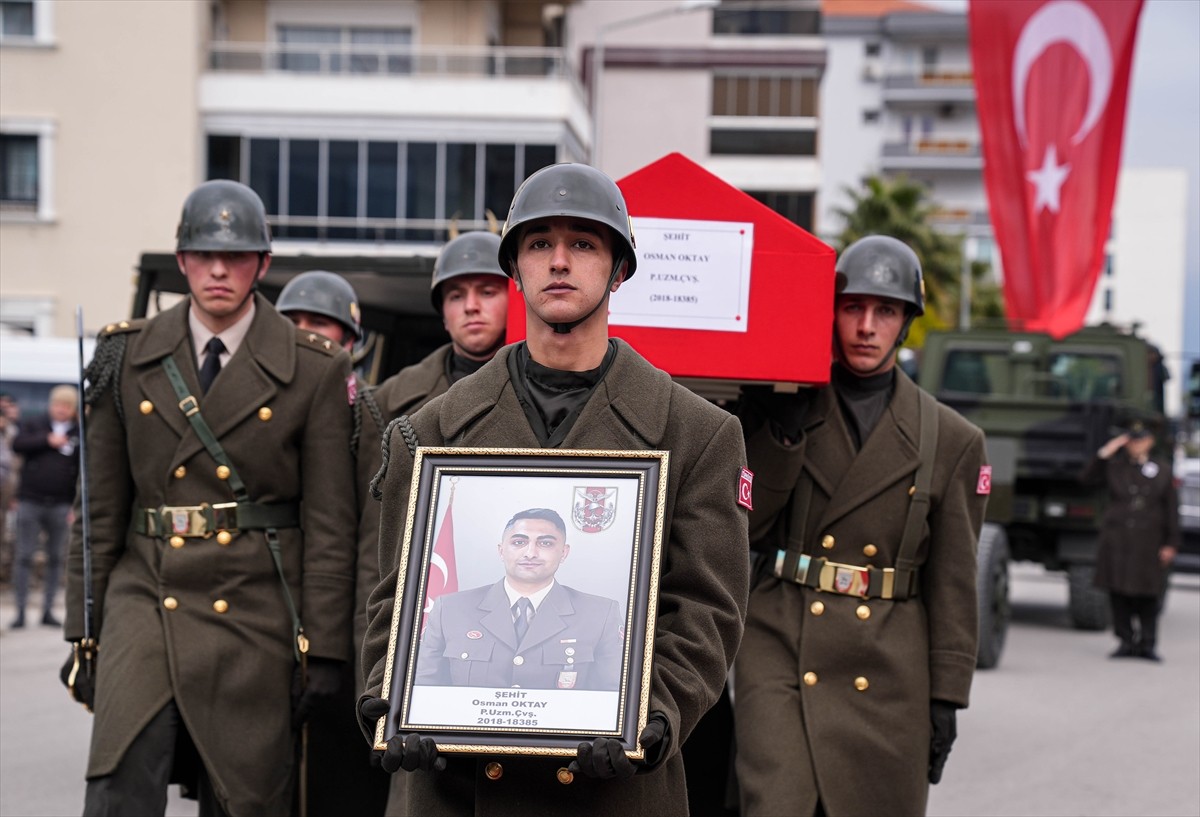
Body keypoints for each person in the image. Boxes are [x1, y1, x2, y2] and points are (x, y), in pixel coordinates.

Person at [358, 162, 749, 815]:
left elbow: (706, 609)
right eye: (540, 244)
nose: (560, 261)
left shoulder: (697, 434)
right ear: (516, 267)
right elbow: (396, 598)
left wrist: (650, 715)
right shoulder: (427, 432)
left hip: (613, 788)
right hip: (456, 787)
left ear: (619, 268)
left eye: (584, 244)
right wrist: (390, 696)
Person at [62, 180, 358, 817]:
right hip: (147, 593)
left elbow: (330, 521)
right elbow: (99, 510)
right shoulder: (126, 352)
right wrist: (83, 633)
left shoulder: (315, 367)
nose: (218, 270)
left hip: (255, 603)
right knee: (117, 783)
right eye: (202, 254)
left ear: (264, 264)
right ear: (182, 258)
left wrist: (327, 648)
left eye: (238, 255)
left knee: (246, 795)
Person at [733, 235, 989, 816]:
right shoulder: (783, 402)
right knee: (775, 802)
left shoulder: (951, 439)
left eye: (885, 311)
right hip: (782, 638)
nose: (867, 326)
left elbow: (954, 579)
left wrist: (948, 696)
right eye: (853, 308)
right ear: (831, 312)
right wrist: (781, 435)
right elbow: (744, 529)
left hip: (888, 663)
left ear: (905, 323)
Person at [277, 270, 390, 816]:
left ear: (350, 340)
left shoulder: (367, 416)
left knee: (336, 785)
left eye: (319, 325)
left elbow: (372, 540)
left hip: (341, 637)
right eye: (292, 325)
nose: (306, 336)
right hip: (264, 619)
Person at [415, 507, 623, 690]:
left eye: (546, 543)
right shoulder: (450, 609)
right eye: (519, 542)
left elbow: (613, 696)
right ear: (501, 550)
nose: (530, 553)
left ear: (563, 552)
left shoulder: (600, 615)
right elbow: (423, 687)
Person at [1084, 420, 1179, 661]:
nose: (1136, 445)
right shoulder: (1115, 466)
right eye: (1132, 440)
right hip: (1119, 541)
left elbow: (1171, 510)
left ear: (1150, 442)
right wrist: (1107, 451)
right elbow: (1087, 478)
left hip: (1149, 542)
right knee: (1119, 593)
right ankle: (1125, 640)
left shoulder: (1163, 470)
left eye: (1141, 440)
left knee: (1148, 595)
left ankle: (1147, 643)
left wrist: (1171, 543)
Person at [10, 384, 80, 628]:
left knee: (56, 558)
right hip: (30, 500)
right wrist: (47, 440)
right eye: (57, 405)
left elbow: (81, 471)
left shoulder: (79, 433)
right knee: (24, 556)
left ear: (73, 409)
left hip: (61, 504)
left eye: (66, 406)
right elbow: (18, 444)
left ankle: (48, 610)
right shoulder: (35, 424)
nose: (61, 410)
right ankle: (19, 612)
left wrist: (75, 505)